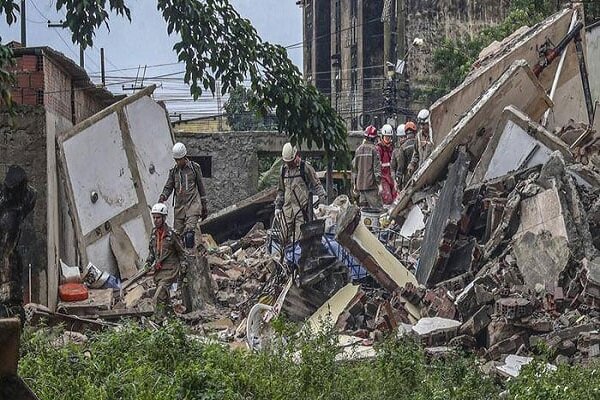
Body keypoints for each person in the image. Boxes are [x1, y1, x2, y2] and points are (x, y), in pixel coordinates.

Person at [0, 165, 36, 323]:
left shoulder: (29, 196)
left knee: (13, 294)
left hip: (14, 249)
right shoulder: (3, 197)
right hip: (6, 248)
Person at [159, 142, 208, 251]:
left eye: (179, 159)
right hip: (179, 208)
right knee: (177, 237)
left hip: (193, 205)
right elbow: (168, 187)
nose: (178, 162)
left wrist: (204, 206)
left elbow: (201, 187)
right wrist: (163, 197)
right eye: (176, 160)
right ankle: (182, 261)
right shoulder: (173, 172)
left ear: (184, 157)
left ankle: (190, 257)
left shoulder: (194, 168)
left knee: (189, 233)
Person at [274, 143, 326, 243]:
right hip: (287, 211)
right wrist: (277, 207)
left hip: (302, 211)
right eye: (287, 162)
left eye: (291, 161)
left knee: (300, 241)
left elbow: (317, 185)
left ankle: (298, 257)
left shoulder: (305, 168)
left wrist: (322, 202)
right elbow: (281, 191)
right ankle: (286, 257)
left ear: (296, 155)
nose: (289, 164)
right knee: (283, 237)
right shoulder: (283, 171)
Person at [145, 203, 187, 317]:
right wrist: (148, 262)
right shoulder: (153, 234)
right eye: (154, 217)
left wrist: (183, 267)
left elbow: (181, 252)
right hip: (159, 271)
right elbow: (152, 252)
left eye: (158, 217)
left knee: (159, 294)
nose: (155, 220)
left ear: (164, 218)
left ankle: (157, 320)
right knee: (165, 297)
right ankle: (171, 318)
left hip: (171, 269)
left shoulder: (171, 234)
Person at [352, 125, 382, 209]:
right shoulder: (374, 150)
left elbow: (354, 170)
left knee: (364, 212)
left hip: (360, 186)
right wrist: (379, 185)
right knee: (377, 211)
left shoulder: (358, 150)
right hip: (371, 186)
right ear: (374, 138)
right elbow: (377, 169)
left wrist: (354, 184)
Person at [391, 121, 417, 188]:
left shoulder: (403, 148)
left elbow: (400, 166)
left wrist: (398, 182)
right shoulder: (420, 143)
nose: (402, 139)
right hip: (421, 175)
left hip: (408, 178)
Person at [376, 124, 396, 205]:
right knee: (387, 198)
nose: (388, 139)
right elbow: (377, 165)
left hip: (391, 177)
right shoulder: (379, 149)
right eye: (386, 137)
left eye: (389, 137)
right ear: (382, 136)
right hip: (383, 177)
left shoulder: (392, 148)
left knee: (396, 198)